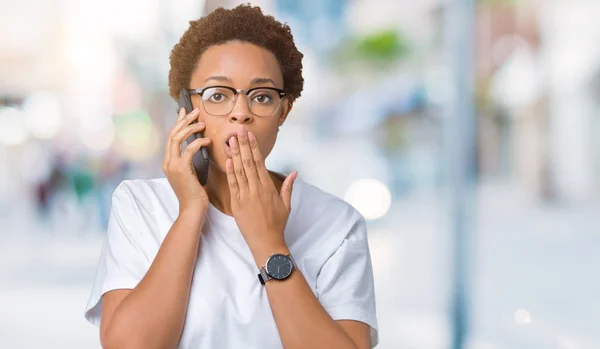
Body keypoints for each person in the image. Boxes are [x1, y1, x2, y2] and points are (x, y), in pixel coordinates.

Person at [84, 4, 378, 349]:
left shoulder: (337, 224)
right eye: (218, 95)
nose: (240, 113)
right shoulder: (139, 205)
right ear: (187, 106)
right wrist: (191, 211)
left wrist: (269, 244)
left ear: (284, 111)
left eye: (262, 97)